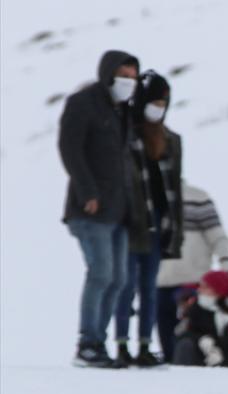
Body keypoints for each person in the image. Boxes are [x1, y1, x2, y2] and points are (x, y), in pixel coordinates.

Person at [58, 49, 141, 368]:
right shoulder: (83, 104)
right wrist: (87, 191)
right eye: (123, 76)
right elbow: (70, 148)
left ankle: (99, 343)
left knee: (119, 279)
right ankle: (87, 343)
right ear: (107, 73)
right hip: (90, 209)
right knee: (101, 273)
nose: (128, 83)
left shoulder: (122, 111)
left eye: (133, 77)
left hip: (119, 212)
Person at [115, 70, 183, 367]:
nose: (159, 107)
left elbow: (174, 188)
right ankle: (120, 345)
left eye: (164, 102)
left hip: (159, 221)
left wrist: (174, 229)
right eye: (155, 101)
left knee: (149, 288)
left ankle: (144, 345)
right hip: (132, 221)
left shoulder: (170, 140)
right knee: (125, 285)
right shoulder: (125, 136)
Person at [156, 181, 228, 363]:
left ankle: (204, 364)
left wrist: (227, 266)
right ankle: (171, 365)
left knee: (195, 331)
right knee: (166, 336)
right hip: (159, 281)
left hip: (195, 282)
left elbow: (218, 237)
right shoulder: (148, 198)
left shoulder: (197, 198)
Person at [172, 270, 228, 368]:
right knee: (185, 345)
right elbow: (180, 332)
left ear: (219, 290)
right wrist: (203, 341)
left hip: (226, 357)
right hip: (199, 357)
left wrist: (219, 346)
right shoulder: (193, 310)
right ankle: (184, 376)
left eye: (205, 287)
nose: (199, 290)